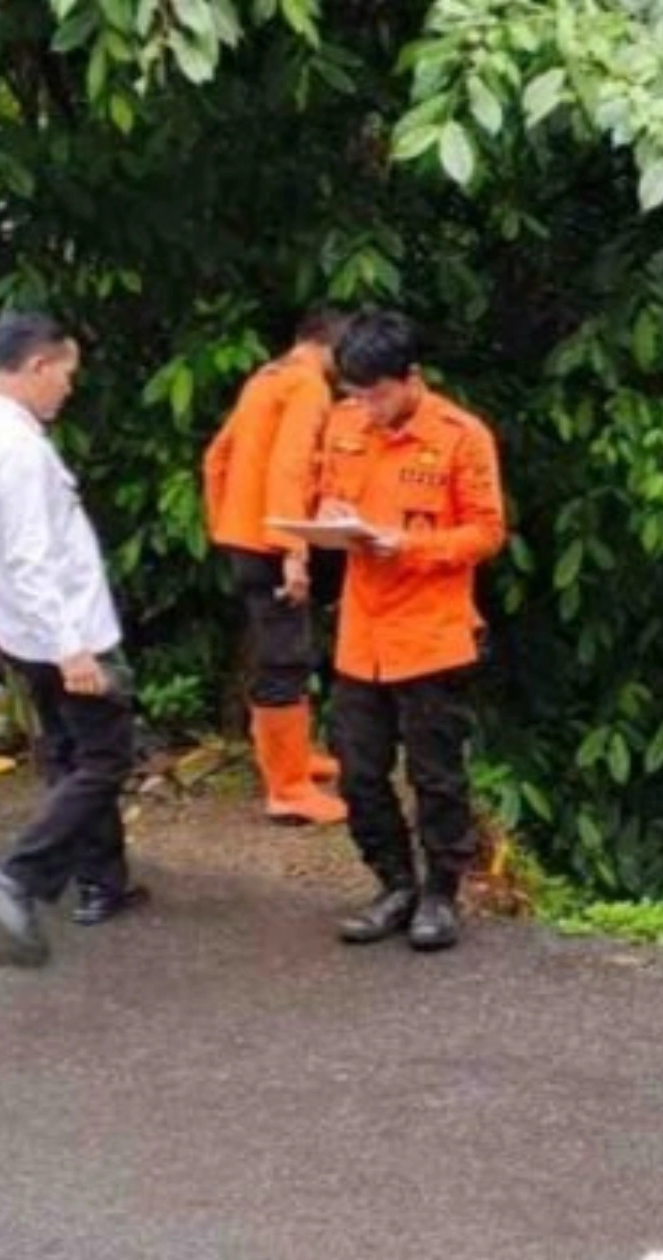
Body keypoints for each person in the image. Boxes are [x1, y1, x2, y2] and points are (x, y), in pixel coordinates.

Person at [0, 311, 148, 963]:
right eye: (65, 373)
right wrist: (73, 649)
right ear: (37, 367)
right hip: (63, 632)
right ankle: (19, 876)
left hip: (19, 629)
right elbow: (32, 555)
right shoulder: (20, 449)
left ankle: (101, 884)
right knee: (105, 759)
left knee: (68, 753)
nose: (68, 386)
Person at [314, 310, 505, 952]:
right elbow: (327, 496)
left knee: (436, 775)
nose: (366, 406)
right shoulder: (345, 425)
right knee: (358, 771)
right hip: (360, 634)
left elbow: (486, 531)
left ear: (411, 379)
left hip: (432, 632)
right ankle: (393, 883)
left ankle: (441, 894)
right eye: (356, 393)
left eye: (378, 393)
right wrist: (331, 519)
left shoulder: (460, 436)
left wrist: (412, 548)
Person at [202, 309, 351, 826]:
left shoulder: (265, 379)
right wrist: (293, 550)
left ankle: (295, 760)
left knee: (281, 649)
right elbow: (290, 466)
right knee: (286, 658)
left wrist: (225, 522)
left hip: (244, 532)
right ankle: (287, 790)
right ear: (331, 348)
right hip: (272, 540)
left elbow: (217, 456)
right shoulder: (309, 387)